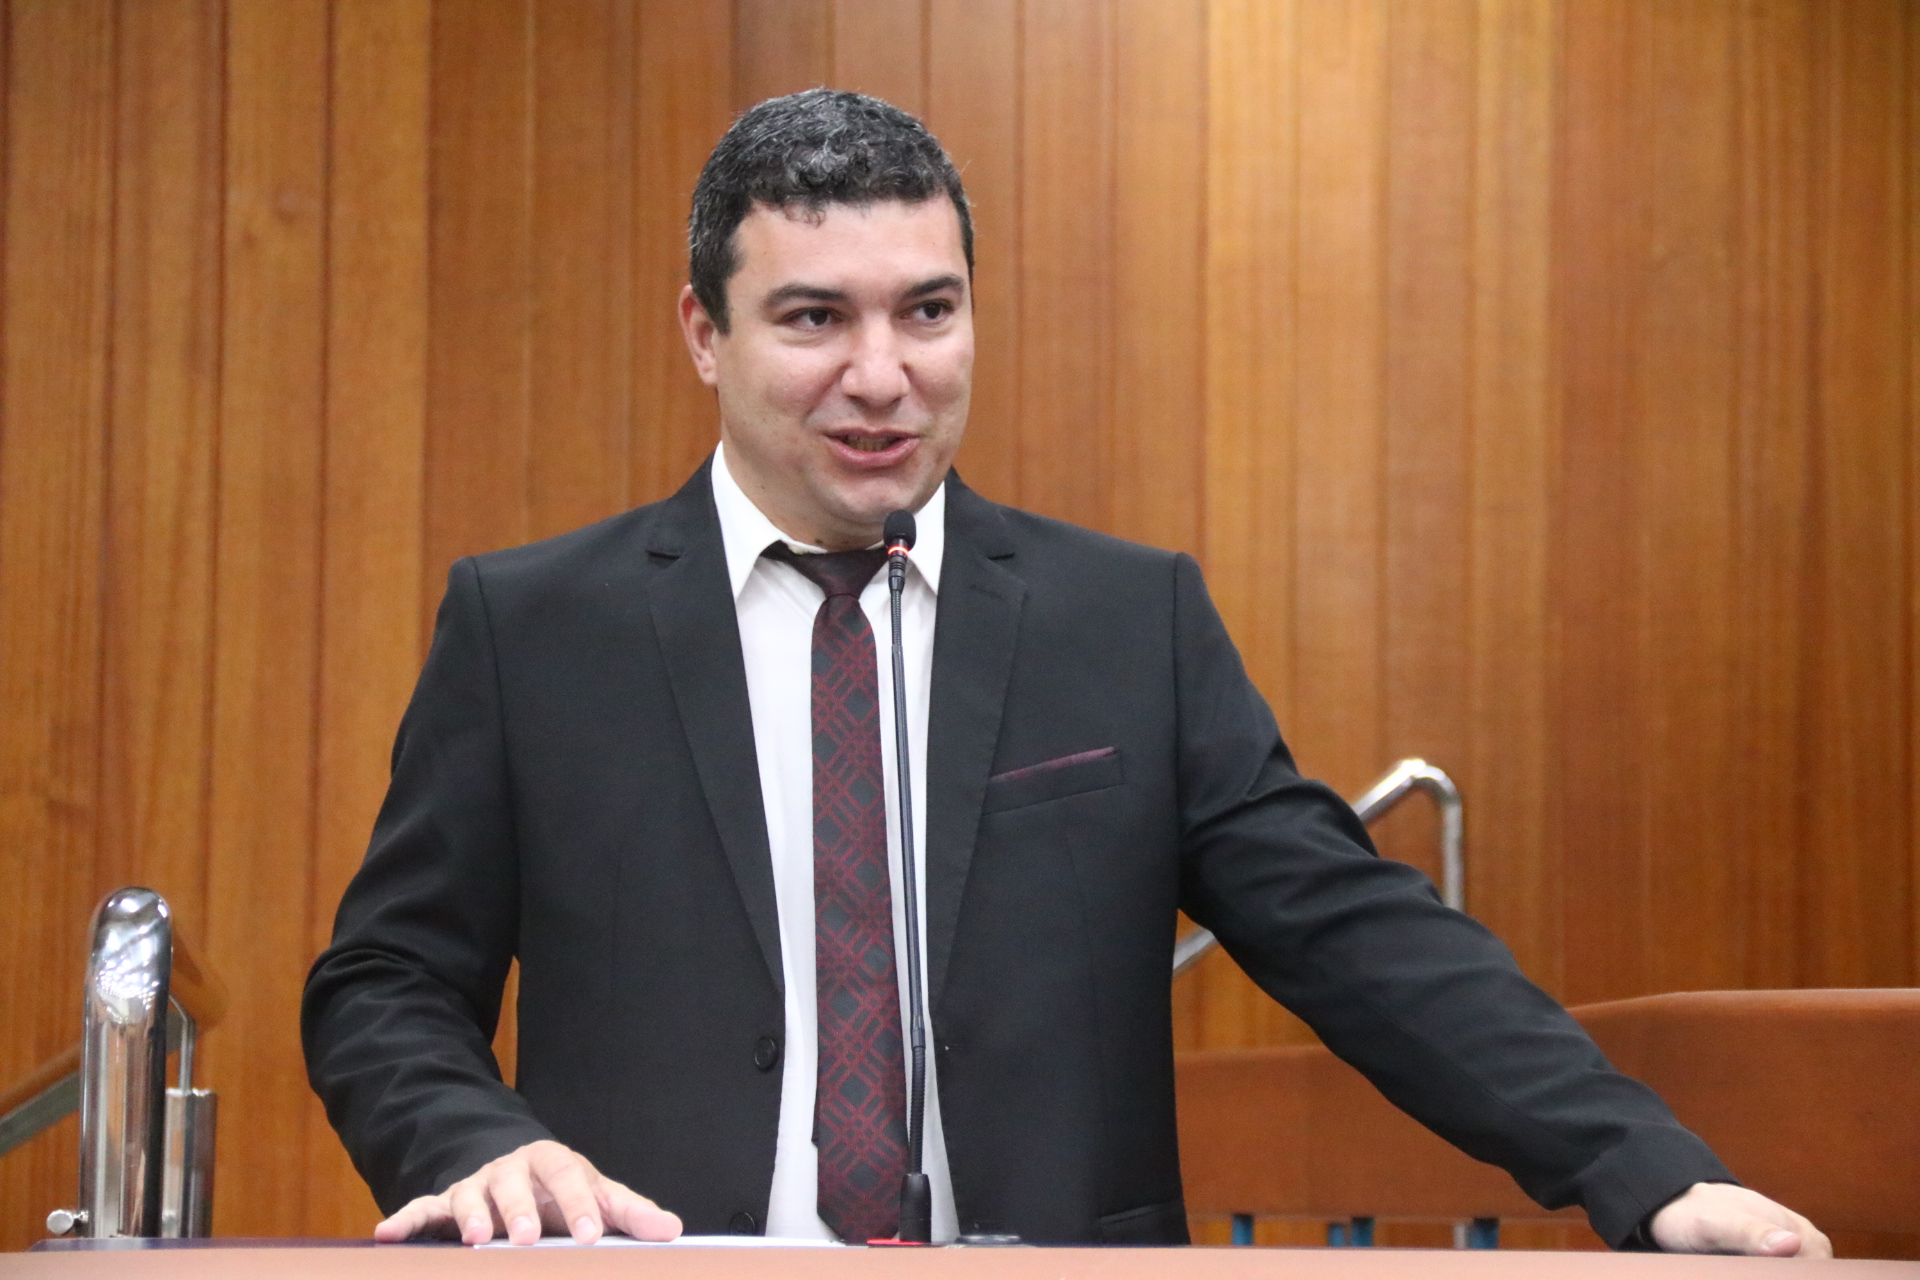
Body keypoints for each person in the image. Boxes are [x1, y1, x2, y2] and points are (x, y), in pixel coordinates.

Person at [302, 89, 1828, 1257]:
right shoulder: (533, 629)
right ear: (705, 334)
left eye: (929, 310)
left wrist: (1648, 1171)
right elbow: (385, 983)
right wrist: (474, 1144)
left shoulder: (1124, 622)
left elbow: (1353, 933)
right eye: (815, 318)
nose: (884, 377)